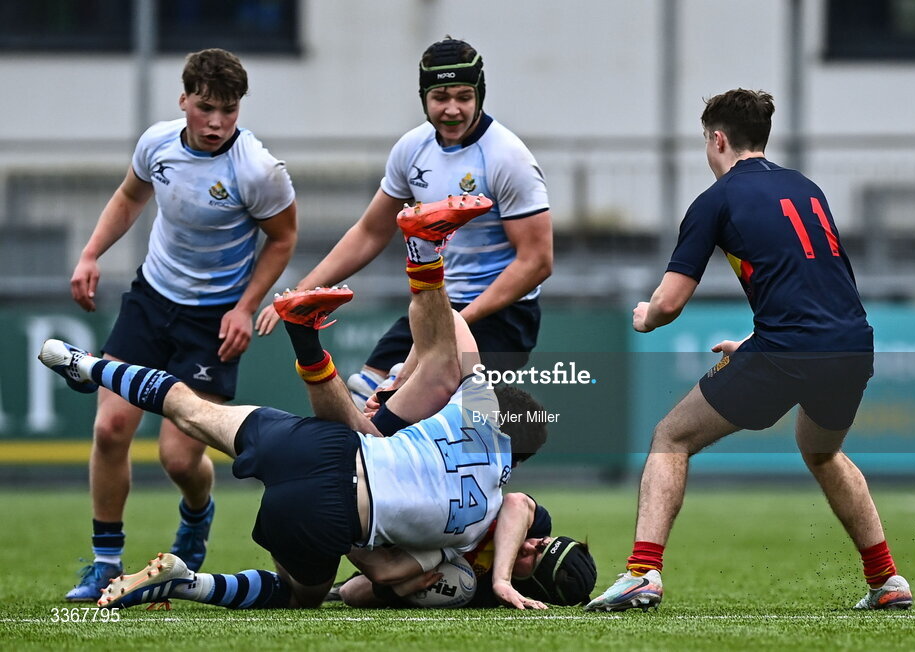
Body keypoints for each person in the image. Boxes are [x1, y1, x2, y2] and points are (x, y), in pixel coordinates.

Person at [40, 197, 552, 610]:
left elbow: (451, 333)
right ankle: (187, 583)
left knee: (189, 408)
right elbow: (379, 577)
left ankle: (87, 365)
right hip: (327, 511)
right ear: (518, 463)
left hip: (320, 444)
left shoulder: (474, 411)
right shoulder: (475, 518)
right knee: (301, 594)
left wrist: (404, 371)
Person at [585, 89, 912, 613]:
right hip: (850, 344)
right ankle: (887, 580)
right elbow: (825, 281)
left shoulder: (716, 200)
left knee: (671, 437)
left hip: (789, 349)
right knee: (823, 450)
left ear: (717, 139)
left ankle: (643, 572)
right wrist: (755, 345)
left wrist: (645, 316)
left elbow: (669, 303)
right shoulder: (806, 188)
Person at [61, 48, 298, 602]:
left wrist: (244, 306)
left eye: (229, 110)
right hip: (151, 300)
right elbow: (130, 195)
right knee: (109, 428)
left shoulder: (258, 170)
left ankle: (197, 513)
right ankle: (104, 563)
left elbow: (282, 239)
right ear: (184, 100)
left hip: (212, 322)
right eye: (206, 108)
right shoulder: (158, 143)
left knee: (177, 457)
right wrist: (91, 253)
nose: (217, 123)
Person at [255, 35, 553, 407]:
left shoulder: (508, 158)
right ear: (423, 98)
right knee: (365, 393)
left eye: (464, 96)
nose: (452, 109)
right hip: (440, 303)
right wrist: (301, 290)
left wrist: (455, 324)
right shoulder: (412, 149)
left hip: (502, 317)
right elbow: (370, 231)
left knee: (422, 411)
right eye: (440, 97)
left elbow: (537, 261)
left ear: (480, 95)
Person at [331, 492, 597, 608]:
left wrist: (398, 591)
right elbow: (515, 502)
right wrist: (501, 580)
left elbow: (351, 593)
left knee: (309, 594)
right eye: (542, 543)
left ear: (532, 587)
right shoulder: (534, 524)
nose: (528, 544)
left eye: (532, 558)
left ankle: (333, 518)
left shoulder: (471, 592)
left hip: (375, 533)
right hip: (410, 499)